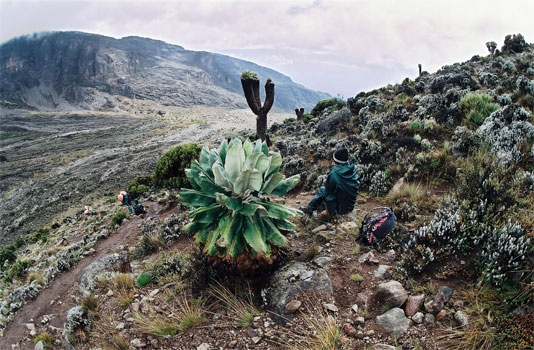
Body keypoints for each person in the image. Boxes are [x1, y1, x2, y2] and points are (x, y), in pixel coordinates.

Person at [300, 148, 360, 217]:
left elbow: (328, 190)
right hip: (350, 206)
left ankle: (310, 210)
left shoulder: (334, 173)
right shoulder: (352, 169)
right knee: (333, 193)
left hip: (340, 209)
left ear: (335, 161)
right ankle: (315, 211)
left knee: (323, 191)